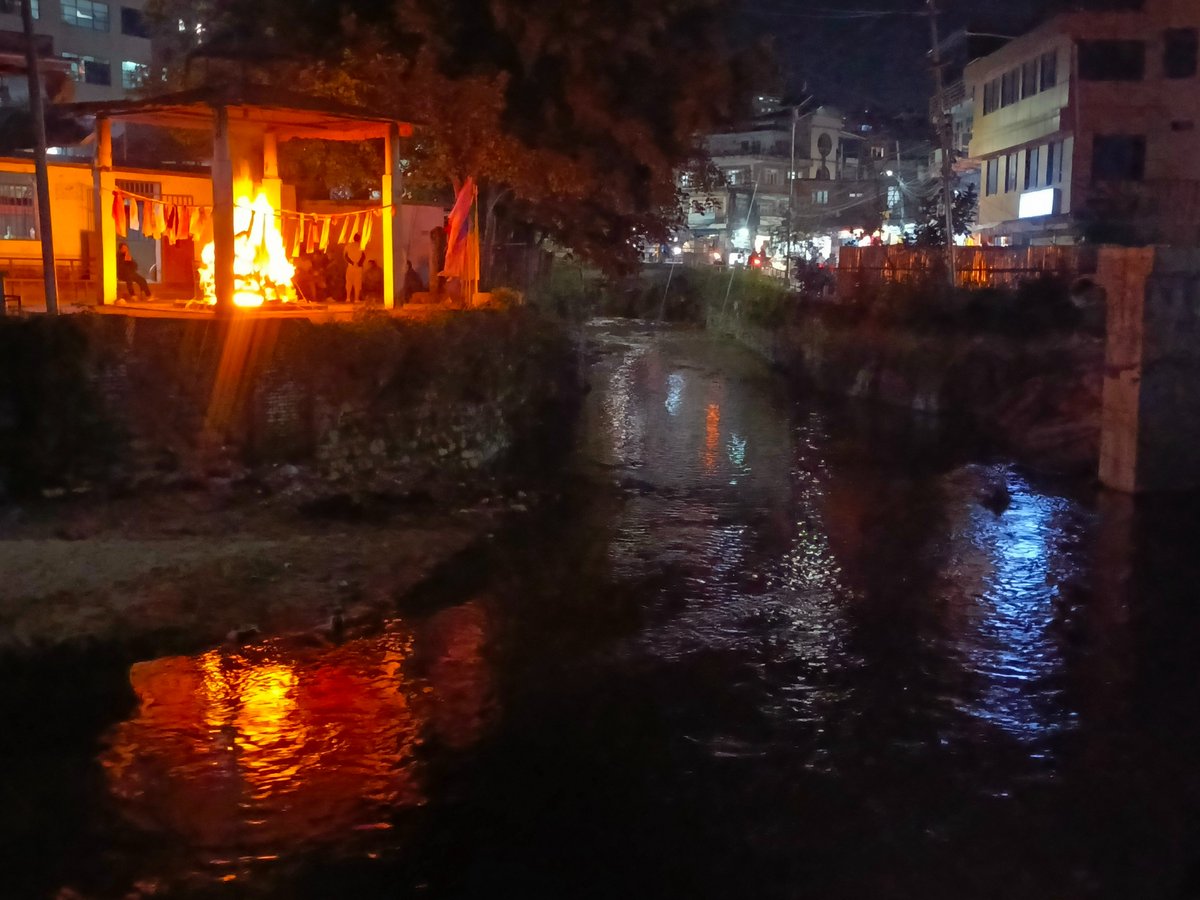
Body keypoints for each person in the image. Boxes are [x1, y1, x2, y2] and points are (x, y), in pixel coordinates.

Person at [344, 234, 366, 303]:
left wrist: (352, 263)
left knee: (349, 282)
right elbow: (363, 256)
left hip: (350, 267)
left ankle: (348, 298)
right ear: (359, 239)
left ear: (353, 238)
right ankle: (356, 299)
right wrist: (358, 263)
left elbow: (346, 256)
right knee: (357, 283)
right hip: (358, 268)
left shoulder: (348, 246)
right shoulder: (361, 246)